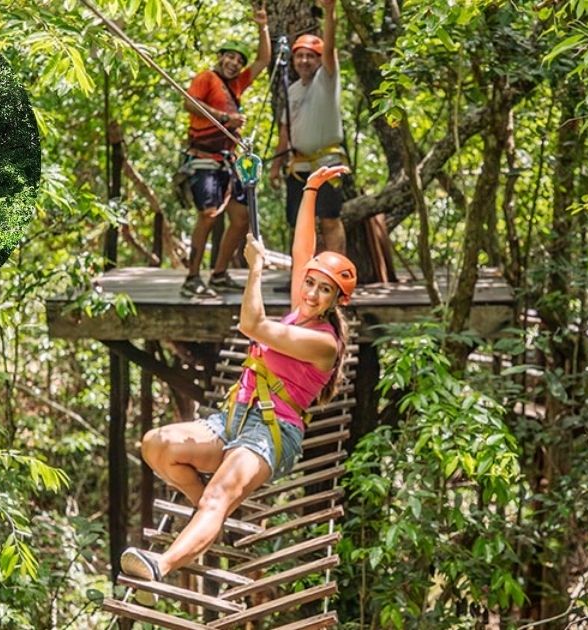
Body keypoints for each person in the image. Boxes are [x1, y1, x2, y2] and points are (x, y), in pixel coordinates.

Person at [118, 165, 355, 601]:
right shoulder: (302, 304)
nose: (313, 292)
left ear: (336, 302)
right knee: (156, 444)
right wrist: (310, 189)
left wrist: (256, 271)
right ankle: (208, 515)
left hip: (271, 430)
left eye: (325, 291)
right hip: (233, 415)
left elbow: (252, 323)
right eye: (312, 283)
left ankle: (163, 565)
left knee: (219, 496)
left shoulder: (323, 344)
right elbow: (305, 247)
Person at [179, 9, 272, 299]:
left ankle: (218, 274)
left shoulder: (236, 85)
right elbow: (189, 104)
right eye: (230, 57)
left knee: (242, 218)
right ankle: (192, 277)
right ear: (221, 57)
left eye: (238, 60)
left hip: (225, 161)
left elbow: (263, 61)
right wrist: (224, 117)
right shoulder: (207, 78)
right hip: (203, 159)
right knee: (208, 214)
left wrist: (263, 27)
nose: (234, 63)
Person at [269, 0, 346, 255]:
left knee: (329, 220)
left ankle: (336, 276)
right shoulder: (291, 91)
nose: (304, 60)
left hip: (327, 162)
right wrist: (275, 168)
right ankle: (301, 277)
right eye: (299, 55)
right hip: (298, 166)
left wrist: (330, 12)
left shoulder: (327, 79)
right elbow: (285, 132)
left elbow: (331, 48)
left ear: (318, 60)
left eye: (310, 56)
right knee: (300, 223)